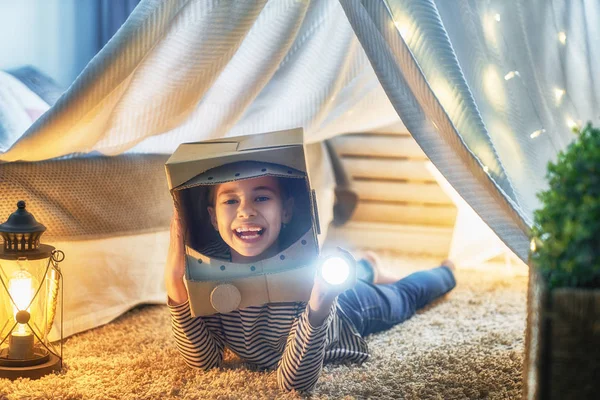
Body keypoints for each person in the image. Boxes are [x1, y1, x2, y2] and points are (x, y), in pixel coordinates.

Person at [165, 175, 456, 392]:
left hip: (345, 309)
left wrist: (318, 307)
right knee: (351, 272)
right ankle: (367, 266)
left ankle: (447, 271)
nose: (246, 211)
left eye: (262, 197)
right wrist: (175, 285)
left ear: (287, 211)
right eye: (231, 200)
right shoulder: (209, 273)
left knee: (404, 296)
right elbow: (206, 360)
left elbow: (294, 382)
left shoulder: (301, 271)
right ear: (213, 218)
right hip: (324, 289)